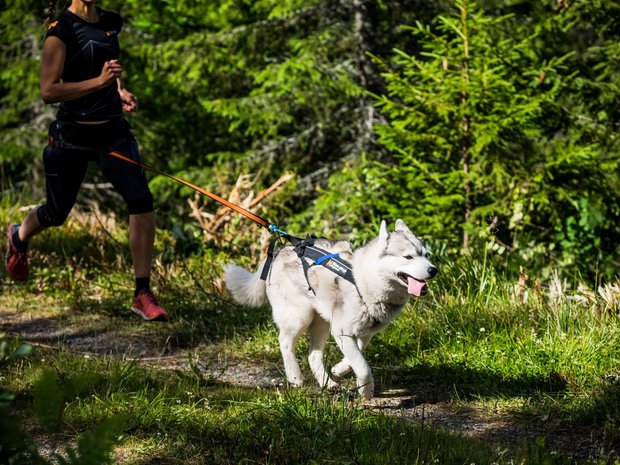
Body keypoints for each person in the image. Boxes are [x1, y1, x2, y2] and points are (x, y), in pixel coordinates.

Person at [5, 0, 169, 322]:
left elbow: (106, 68)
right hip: (71, 140)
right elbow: (49, 91)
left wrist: (118, 90)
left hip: (113, 136)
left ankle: (141, 292)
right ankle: (18, 236)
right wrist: (99, 83)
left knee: (141, 201)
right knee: (56, 212)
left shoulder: (109, 22)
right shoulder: (60, 30)